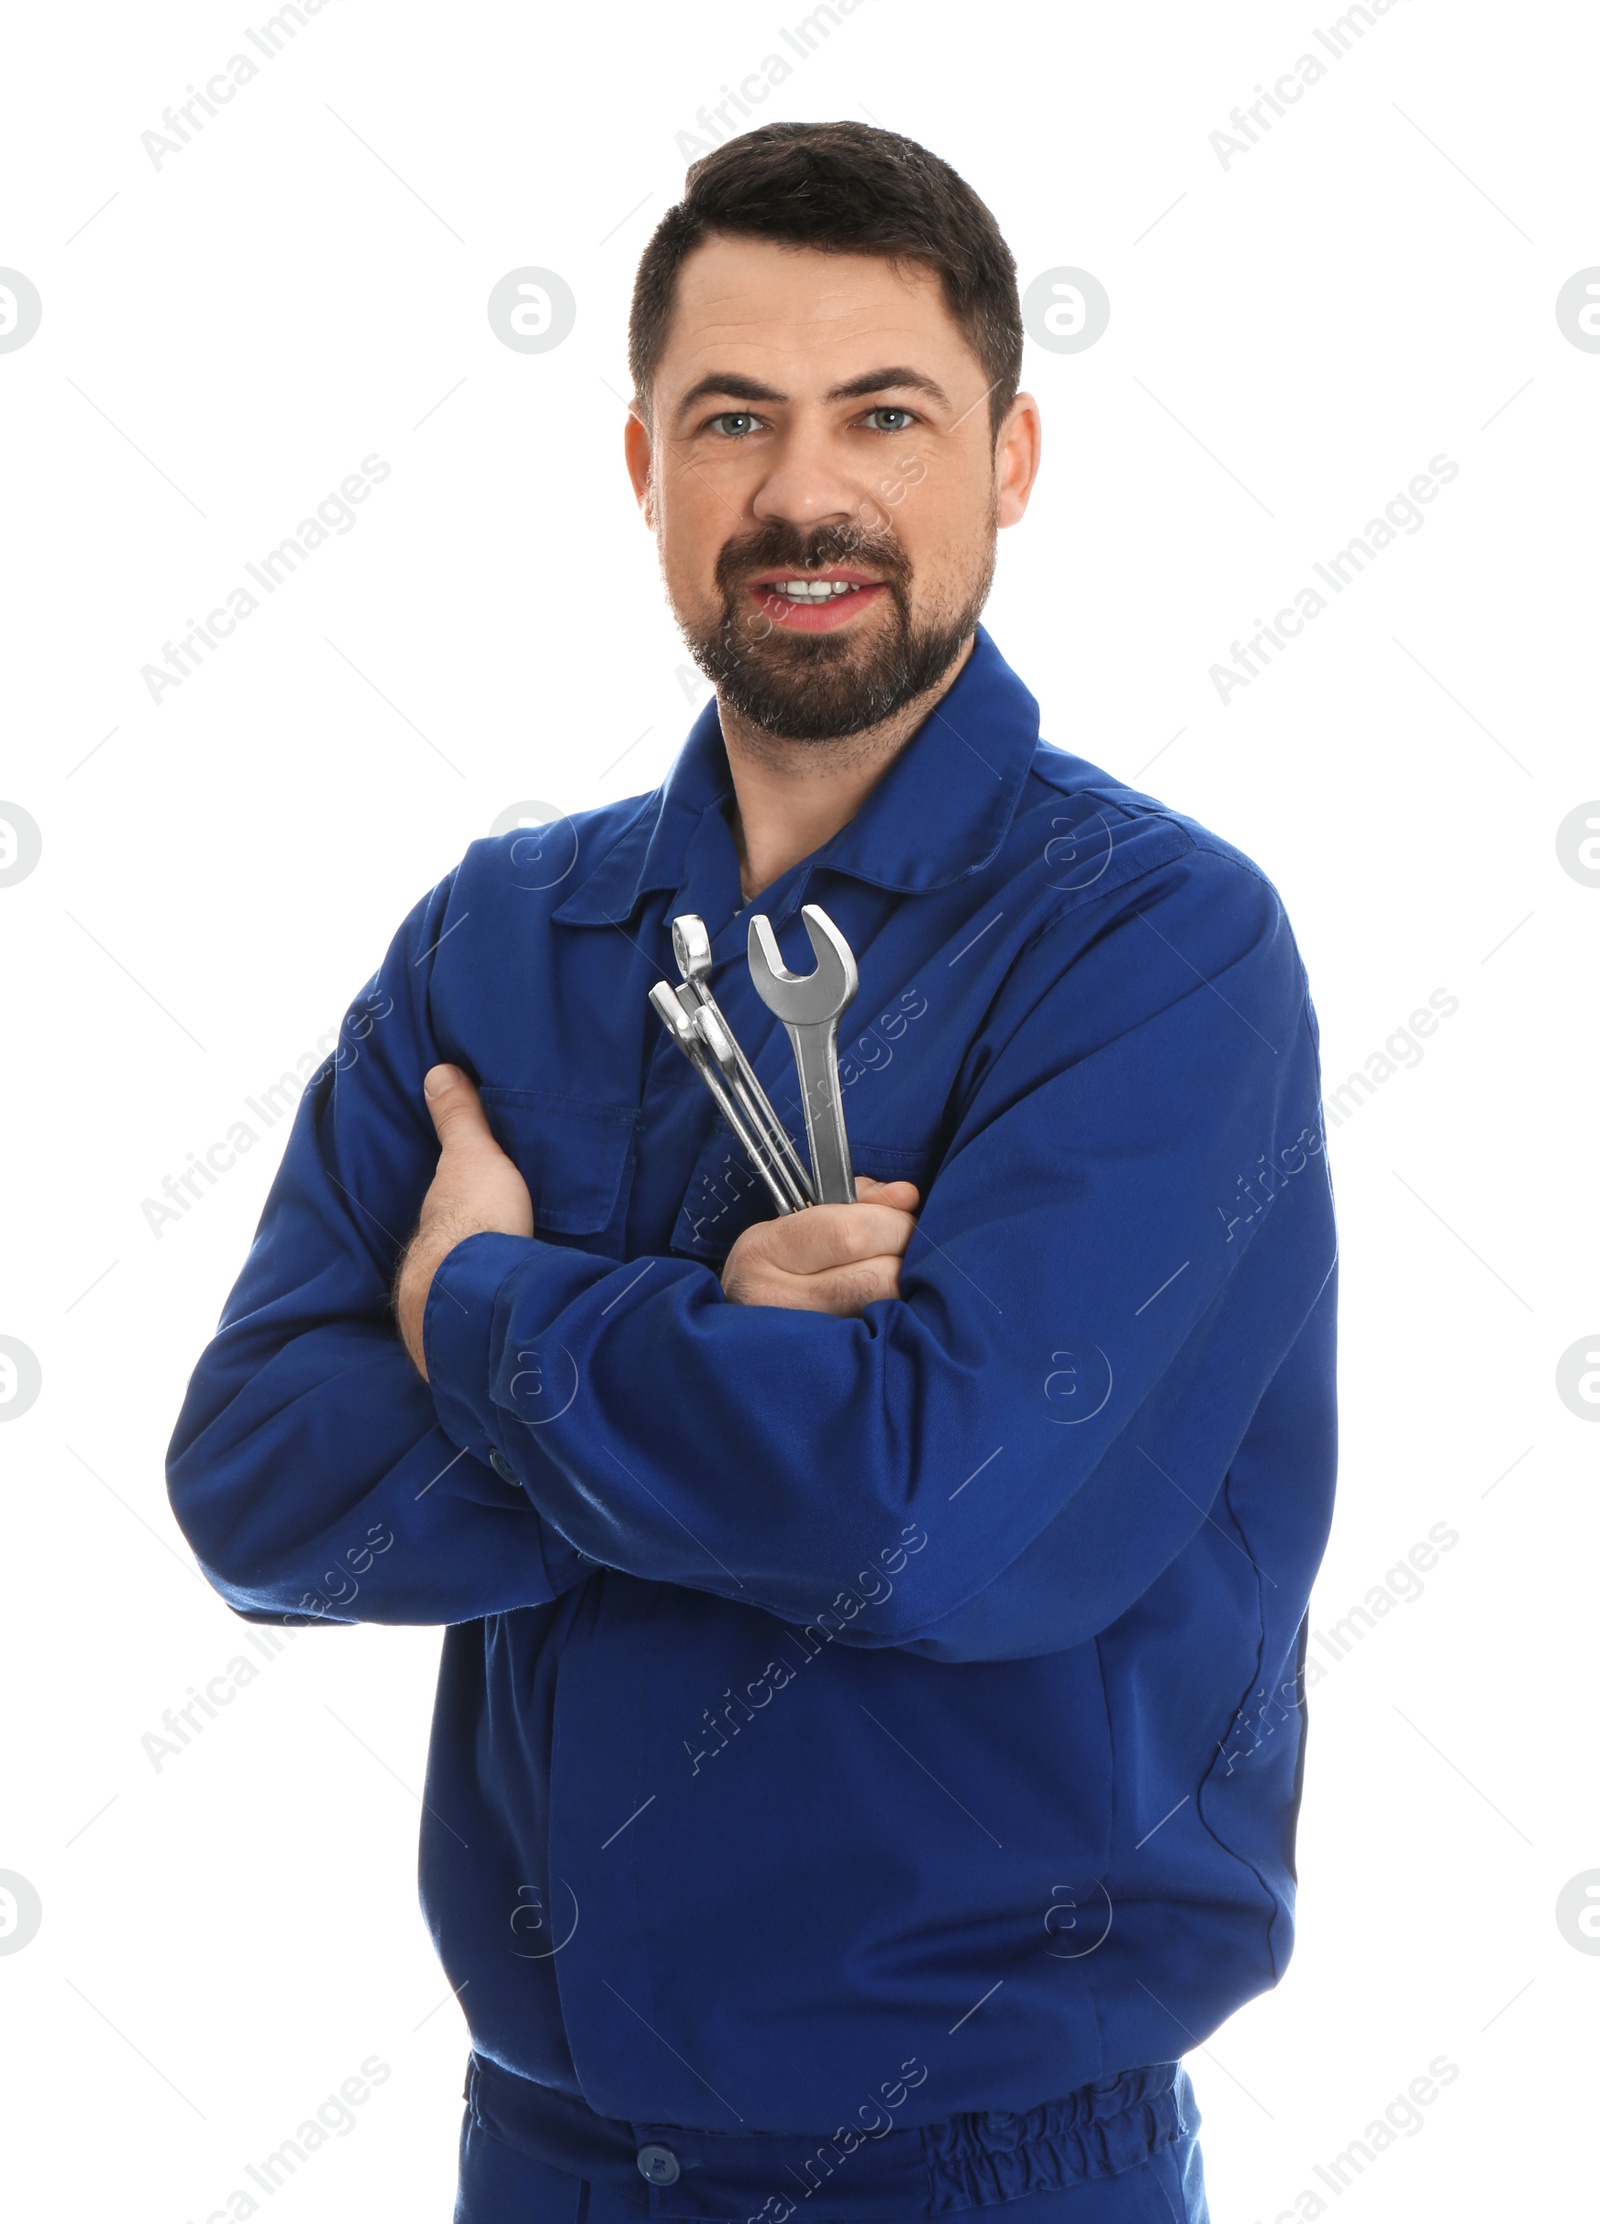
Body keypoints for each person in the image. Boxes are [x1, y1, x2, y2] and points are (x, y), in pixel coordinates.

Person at [168, 120, 1338, 2224]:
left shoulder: (1159, 947)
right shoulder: (493, 936)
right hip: (539, 2154)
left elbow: (941, 1515)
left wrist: (496, 1319)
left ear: (1009, 456)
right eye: (734, 420)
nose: (806, 494)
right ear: (644, 469)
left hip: (989, 2172)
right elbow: (257, 1482)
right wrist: (726, 1370)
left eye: (883, 415)